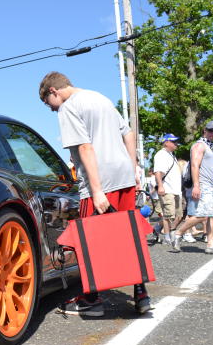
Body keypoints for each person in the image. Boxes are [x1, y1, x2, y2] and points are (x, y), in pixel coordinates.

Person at [39, 71, 150, 316]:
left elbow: (86, 147)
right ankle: (141, 294)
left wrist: (97, 191)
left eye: (49, 105)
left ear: (53, 92)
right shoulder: (101, 98)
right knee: (128, 234)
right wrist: (133, 170)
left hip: (100, 180)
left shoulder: (69, 108)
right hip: (123, 175)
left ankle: (91, 300)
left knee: (91, 241)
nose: (53, 110)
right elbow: (128, 134)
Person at [172, 121, 213, 255]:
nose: (212, 133)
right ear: (204, 130)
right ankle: (178, 232)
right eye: (210, 130)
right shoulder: (199, 145)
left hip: (210, 185)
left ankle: (211, 244)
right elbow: (194, 166)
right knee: (202, 215)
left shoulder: (208, 146)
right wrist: (197, 185)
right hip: (202, 185)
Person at [153, 133, 182, 244]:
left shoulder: (171, 155)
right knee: (168, 215)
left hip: (176, 190)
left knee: (178, 215)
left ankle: (158, 228)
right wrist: (160, 186)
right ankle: (167, 237)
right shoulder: (161, 154)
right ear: (166, 142)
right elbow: (158, 171)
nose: (176, 144)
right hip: (167, 189)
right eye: (173, 141)